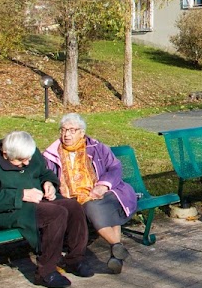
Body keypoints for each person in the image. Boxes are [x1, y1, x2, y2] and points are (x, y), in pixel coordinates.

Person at [0, 131, 91, 288]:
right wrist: (21, 195)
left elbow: (44, 173)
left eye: (28, 158)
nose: (26, 163)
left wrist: (49, 184)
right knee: (55, 214)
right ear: (5, 154)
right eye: (20, 160)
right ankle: (45, 273)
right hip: (7, 210)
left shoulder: (29, 154)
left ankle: (74, 259)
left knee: (73, 206)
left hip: (37, 201)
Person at [42, 114, 137, 274]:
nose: (66, 135)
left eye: (72, 130)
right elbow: (46, 174)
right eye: (64, 130)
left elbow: (115, 168)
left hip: (107, 190)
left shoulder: (96, 148)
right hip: (73, 198)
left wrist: (102, 186)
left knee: (101, 205)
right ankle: (117, 248)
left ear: (82, 132)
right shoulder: (52, 153)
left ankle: (117, 252)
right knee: (91, 207)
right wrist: (48, 184)